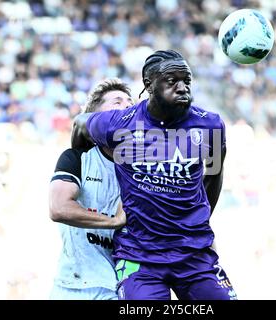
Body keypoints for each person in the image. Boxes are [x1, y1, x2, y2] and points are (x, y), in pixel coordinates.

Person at [72, 50, 237, 300]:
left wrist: (196, 221)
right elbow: (80, 124)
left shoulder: (209, 126)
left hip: (193, 253)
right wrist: (78, 164)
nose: (182, 88)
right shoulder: (119, 124)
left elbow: (214, 176)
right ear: (149, 85)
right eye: (172, 81)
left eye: (187, 81)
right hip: (139, 255)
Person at [49, 78, 134, 300]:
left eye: (129, 102)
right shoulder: (77, 158)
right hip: (70, 287)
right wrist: (114, 221)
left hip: (116, 288)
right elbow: (58, 208)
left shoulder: (140, 168)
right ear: (95, 117)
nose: (127, 106)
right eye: (117, 101)